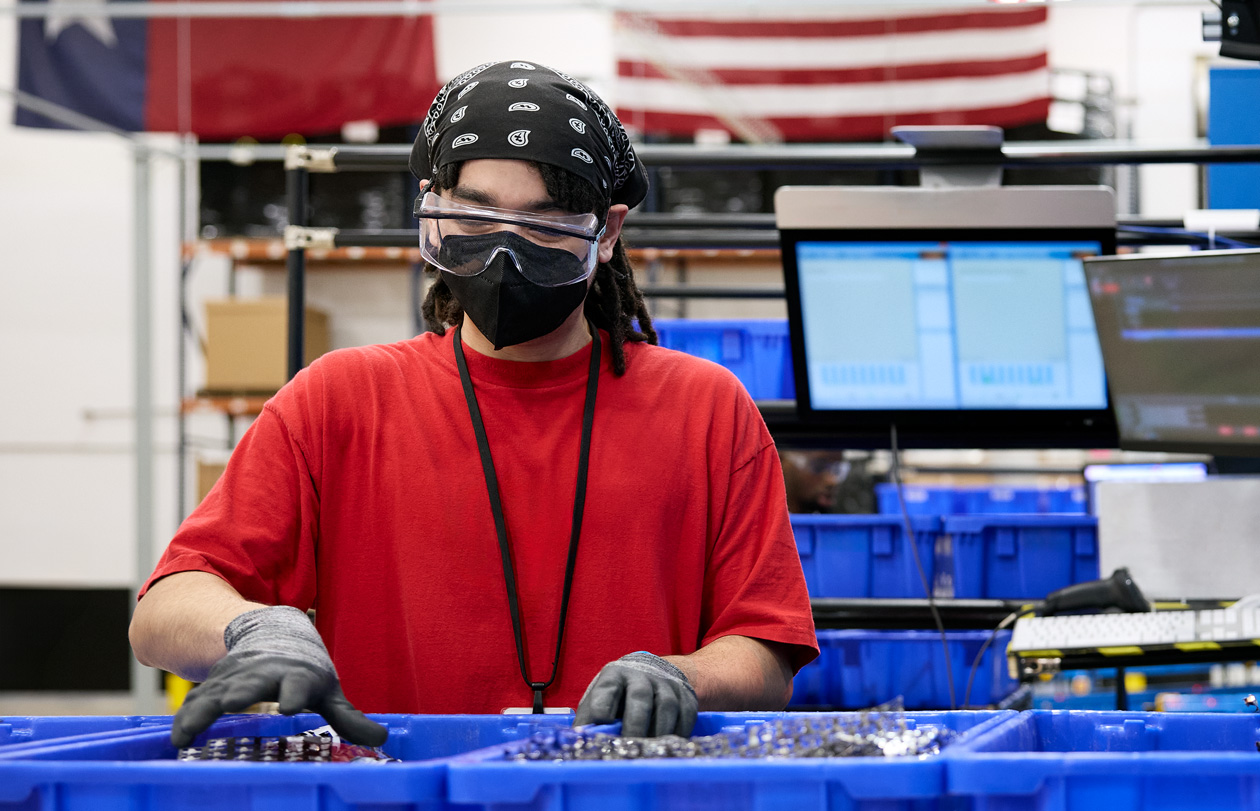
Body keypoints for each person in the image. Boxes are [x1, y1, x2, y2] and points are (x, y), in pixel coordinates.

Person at [130, 60, 818, 748]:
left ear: (606, 232)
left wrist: (684, 675)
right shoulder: (337, 402)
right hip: (394, 795)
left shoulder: (706, 410)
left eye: (544, 225)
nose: (504, 254)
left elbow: (767, 647)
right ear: (432, 206)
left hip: (618, 789)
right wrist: (254, 629)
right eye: (475, 214)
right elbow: (162, 609)